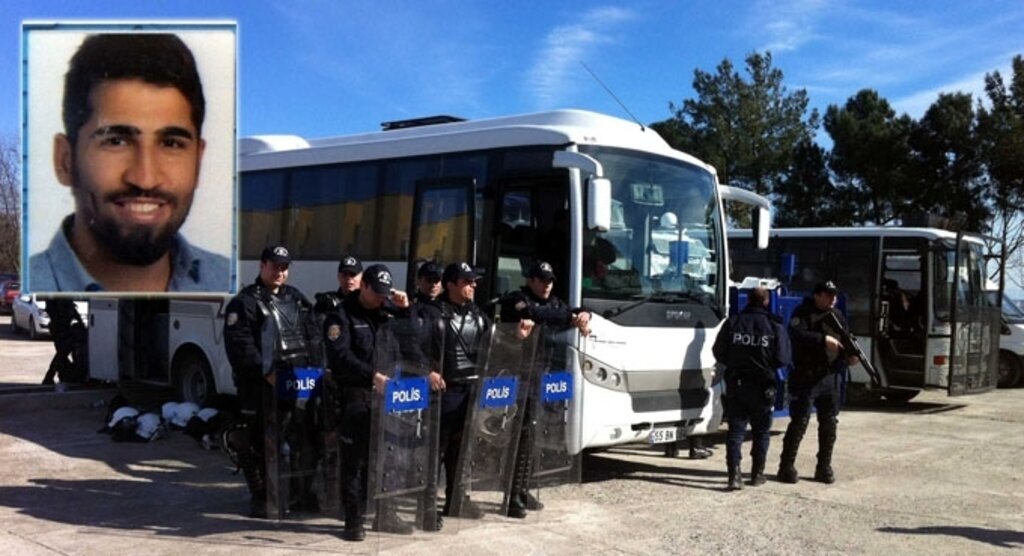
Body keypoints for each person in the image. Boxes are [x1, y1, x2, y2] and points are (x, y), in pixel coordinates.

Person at [30, 33, 229, 293]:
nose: (145, 178)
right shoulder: (35, 283)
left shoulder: (226, 280)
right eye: (116, 141)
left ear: (198, 162)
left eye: (171, 144)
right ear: (65, 160)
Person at [222, 246, 323, 518]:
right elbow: (240, 345)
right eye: (275, 266)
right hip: (261, 387)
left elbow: (312, 334)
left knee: (299, 441)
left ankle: (296, 493)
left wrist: (317, 367)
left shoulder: (296, 298)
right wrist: (266, 372)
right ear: (262, 265)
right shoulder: (245, 302)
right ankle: (262, 496)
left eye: (284, 267)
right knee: (258, 443)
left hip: (297, 383)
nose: (280, 272)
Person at [322, 263, 413, 541]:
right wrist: (372, 376)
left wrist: (406, 311)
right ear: (363, 286)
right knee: (356, 463)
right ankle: (354, 519)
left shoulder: (388, 314)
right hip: (355, 397)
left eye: (386, 294)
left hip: (387, 397)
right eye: (376, 293)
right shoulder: (340, 317)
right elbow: (340, 357)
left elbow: (412, 343)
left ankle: (386, 512)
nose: (381, 298)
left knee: (391, 459)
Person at [497, 260, 591, 517]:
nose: (547, 285)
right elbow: (534, 314)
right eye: (542, 280)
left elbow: (572, 310)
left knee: (533, 437)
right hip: (518, 376)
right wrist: (569, 317)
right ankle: (510, 495)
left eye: (550, 281)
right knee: (517, 437)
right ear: (531, 280)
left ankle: (522, 489)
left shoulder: (554, 303)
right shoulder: (517, 299)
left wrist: (583, 315)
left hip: (542, 377)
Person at [422, 262, 491, 519]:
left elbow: (492, 339)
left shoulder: (476, 313)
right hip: (445, 390)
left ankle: (456, 500)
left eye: (473, 281)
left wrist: (517, 334)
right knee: (436, 450)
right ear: (450, 284)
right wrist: (427, 371)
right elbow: (415, 346)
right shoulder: (432, 312)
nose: (472, 285)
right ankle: (427, 505)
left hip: (470, 388)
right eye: (466, 281)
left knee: (462, 450)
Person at [777, 280, 858, 485]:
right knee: (800, 422)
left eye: (835, 296)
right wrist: (823, 340)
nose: (833, 299)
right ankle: (786, 466)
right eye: (828, 295)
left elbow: (846, 339)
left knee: (829, 424)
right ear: (817, 295)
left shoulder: (837, 316)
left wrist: (851, 355)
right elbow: (797, 335)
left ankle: (824, 467)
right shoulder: (802, 312)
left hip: (830, 377)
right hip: (806, 376)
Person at [712, 287, 791, 490]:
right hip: (763, 385)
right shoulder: (774, 326)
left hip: (737, 383)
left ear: (748, 300)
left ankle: (734, 476)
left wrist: (736, 363)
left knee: (736, 431)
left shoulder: (734, 322)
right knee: (761, 432)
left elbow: (718, 351)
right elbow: (783, 359)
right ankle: (757, 474)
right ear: (766, 301)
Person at [41, 298, 86, 385]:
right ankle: (52, 376)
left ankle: (54, 375)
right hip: (61, 329)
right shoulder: (60, 300)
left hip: (60, 328)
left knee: (61, 354)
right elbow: (68, 311)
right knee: (61, 354)